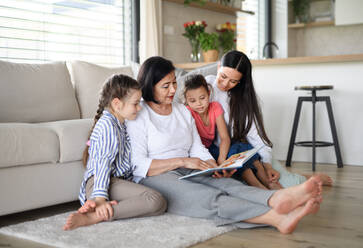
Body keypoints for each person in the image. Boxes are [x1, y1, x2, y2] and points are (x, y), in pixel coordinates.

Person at [127, 56, 323, 234]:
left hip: (189, 167)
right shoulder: (139, 114)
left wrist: (214, 165)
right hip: (155, 176)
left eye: (174, 83)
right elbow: (137, 164)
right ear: (150, 86)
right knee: (206, 196)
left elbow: (197, 147)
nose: (173, 90)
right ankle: (275, 218)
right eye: (165, 86)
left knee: (228, 183)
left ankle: (277, 199)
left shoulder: (183, 111)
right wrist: (183, 161)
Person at [205, 50, 333, 187]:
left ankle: (306, 177)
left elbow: (255, 135)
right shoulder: (206, 87)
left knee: (285, 182)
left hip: (247, 150)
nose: (225, 84)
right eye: (223, 76)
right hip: (223, 152)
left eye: (233, 81)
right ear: (218, 67)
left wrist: (267, 165)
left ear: (241, 82)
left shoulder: (242, 99)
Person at [63, 74, 167, 231]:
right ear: (117, 104)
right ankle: (95, 215)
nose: (139, 108)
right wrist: (100, 198)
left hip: (115, 183)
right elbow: (102, 164)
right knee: (155, 200)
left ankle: (101, 209)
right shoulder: (108, 126)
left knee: (159, 206)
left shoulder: (121, 124)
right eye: (135, 104)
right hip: (101, 182)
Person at [182, 74, 278, 190]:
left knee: (241, 147)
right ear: (186, 101)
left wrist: (222, 160)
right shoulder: (187, 113)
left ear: (208, 93)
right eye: (192, 101)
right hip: (203, 152)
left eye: (202, 98)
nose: (199, 103)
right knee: (233, 154)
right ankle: (259, 187)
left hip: (214, 147)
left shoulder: (215, 107)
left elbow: (225, 138)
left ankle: (269, 182)